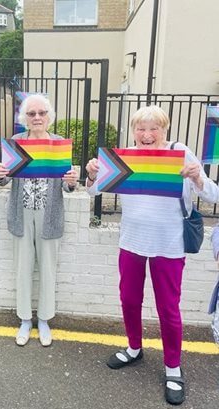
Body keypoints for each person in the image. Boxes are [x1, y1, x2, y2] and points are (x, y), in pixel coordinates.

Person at [85, 105, 219, 406]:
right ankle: (134, 348)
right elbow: (93, 193)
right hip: (131, 241)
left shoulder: (179, 151)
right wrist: (92, 175)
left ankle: (173, 367)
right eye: (140, 129)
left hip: (168, 245)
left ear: (165, 129)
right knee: (129, 299)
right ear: (134, 131)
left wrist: (197, 178)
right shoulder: (125, 156)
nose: (146, 134)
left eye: (153, 128)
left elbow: (213, 194)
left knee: (168, 307)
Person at [0, 94, 78, 347]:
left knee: (47, 269)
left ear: (49, 116)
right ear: (24, 118)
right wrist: (0, 174)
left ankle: (43, 320)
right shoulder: (16, 143)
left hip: (49, 214)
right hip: (22, 212)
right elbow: (5, 179)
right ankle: (24, 320)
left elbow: (67, 186)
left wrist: (72, 182)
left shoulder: (59, 144)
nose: (37, 117)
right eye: (31, 114)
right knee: (22, 268)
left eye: (41, 113)